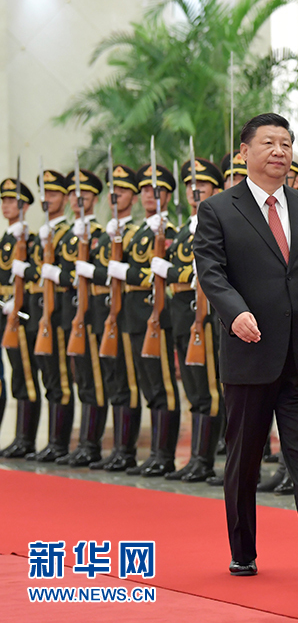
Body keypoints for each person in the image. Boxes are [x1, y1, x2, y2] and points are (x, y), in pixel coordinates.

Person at [194, 112, 298, 580]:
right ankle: (243, 548)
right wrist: (234, 312)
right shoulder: (218, 209)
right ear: (245, 152)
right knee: (245, 457)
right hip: (251, 350)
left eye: (286, 143)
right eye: (268, 143)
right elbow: (211, 271)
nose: (279, 151)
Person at [108, 163, 180, 478]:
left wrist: (127, 272)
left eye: (157, 190)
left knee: (162, 386)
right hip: (132, 315)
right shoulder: (138, 232)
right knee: (147, 387)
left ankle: (164, 456)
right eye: (146, 190)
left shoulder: (169, 232)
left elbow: (159, 273)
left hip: (156, 314)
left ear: (168, 195)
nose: (150, 195)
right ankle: (149, 454)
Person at [159, 158, 226, 483]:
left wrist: (172, 272)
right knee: (194, 390)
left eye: (202, 184)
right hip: (181, 315)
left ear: (214, 189)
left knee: (208, 391)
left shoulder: (215, 223)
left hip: (204, 315)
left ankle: (204, 460)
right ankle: (195, 459)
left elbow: (206, 271)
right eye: (189, 184)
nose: (194, 190)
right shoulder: (185, 228)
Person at [82, 165, 143, 472]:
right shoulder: (104, 236)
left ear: (134, 197)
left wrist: (96, 271)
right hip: (101, 313)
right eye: (113, 190)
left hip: (124, 313)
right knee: (110, 381)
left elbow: (131, 273)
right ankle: (114, 449)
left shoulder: (134, 234)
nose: (116, 194)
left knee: (125, 381)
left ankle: (125, 450)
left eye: (123, 190)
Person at [56, 169, 107, 467]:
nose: (78, 199)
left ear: (95, 198)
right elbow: (64, 273)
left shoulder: (100, 234)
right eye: (73, 194)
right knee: (82, 380)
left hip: (92, 315)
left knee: (95, 379)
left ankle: (91, 444)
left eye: (84, 194)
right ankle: (82, 443)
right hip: (70, 313)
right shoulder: (66, 236)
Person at [28, 170, 73, 463]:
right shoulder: (38, 235)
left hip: (57, 312)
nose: (47, 199)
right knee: (47, 378)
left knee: (60, 379)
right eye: (44, 193)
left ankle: (59, 443)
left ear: (65, 199)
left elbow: (70, 275)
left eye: (54, 194)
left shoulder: (68, 234)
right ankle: (48, 441)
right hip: (37, 312)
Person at [0, 178, 41, 458]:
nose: (6, 206)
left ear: (24, 206)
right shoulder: (6, 239)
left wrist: (18, 301)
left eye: (11, 201)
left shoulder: (31, 240)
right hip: (4, 312)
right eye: (3, 201)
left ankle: (26, 439)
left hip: (21, 313)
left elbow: (37, 276)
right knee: (15, 375)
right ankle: (18, 437)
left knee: (25, 373)